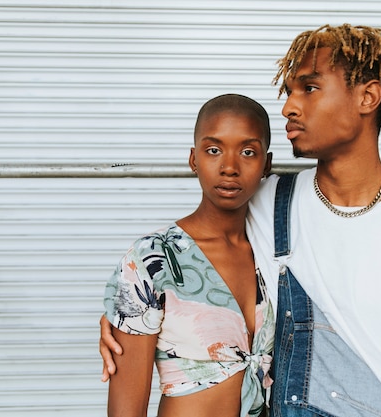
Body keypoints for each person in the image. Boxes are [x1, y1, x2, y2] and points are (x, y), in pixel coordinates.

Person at [100, 24, 381, 417]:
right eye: (290, 91)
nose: (288, 107)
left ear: (368, 97)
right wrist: (127, 317)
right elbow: (175, 269)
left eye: (310, 88)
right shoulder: (267, 201)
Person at [102, 93, 275, 417]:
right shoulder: (154, 260)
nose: (229, 167)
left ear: (266, 164)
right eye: (213, 150)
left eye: (248, 152)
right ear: (193, 159)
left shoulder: (276, 255)